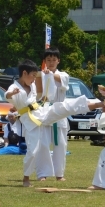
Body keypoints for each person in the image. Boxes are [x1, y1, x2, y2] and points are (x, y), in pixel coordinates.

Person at [5, 59, 103, 187]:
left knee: (63, 107)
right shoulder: (14, 87)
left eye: (35, 76)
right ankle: (26, 178)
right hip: (30, 122)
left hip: (42, 112)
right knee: (33, 151)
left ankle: (98, 104)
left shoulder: (32, 85)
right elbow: (7, 95)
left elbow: (39, 90)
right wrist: (11, 94)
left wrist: (45, 76)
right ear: (24, 73)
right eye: (33, 76)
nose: (34, 79)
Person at [35, 47, 70, 181]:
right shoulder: (40, 75)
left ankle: (59, 174)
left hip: (59, 110)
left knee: (60, 145)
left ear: (58, 61)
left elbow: (61, 82)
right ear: (44, 61)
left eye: (54, 60)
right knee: (43, 143)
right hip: (45, 110)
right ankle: (42, 173)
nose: (51, 62)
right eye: (48, 60)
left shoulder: (63, 75)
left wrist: (49, 74)